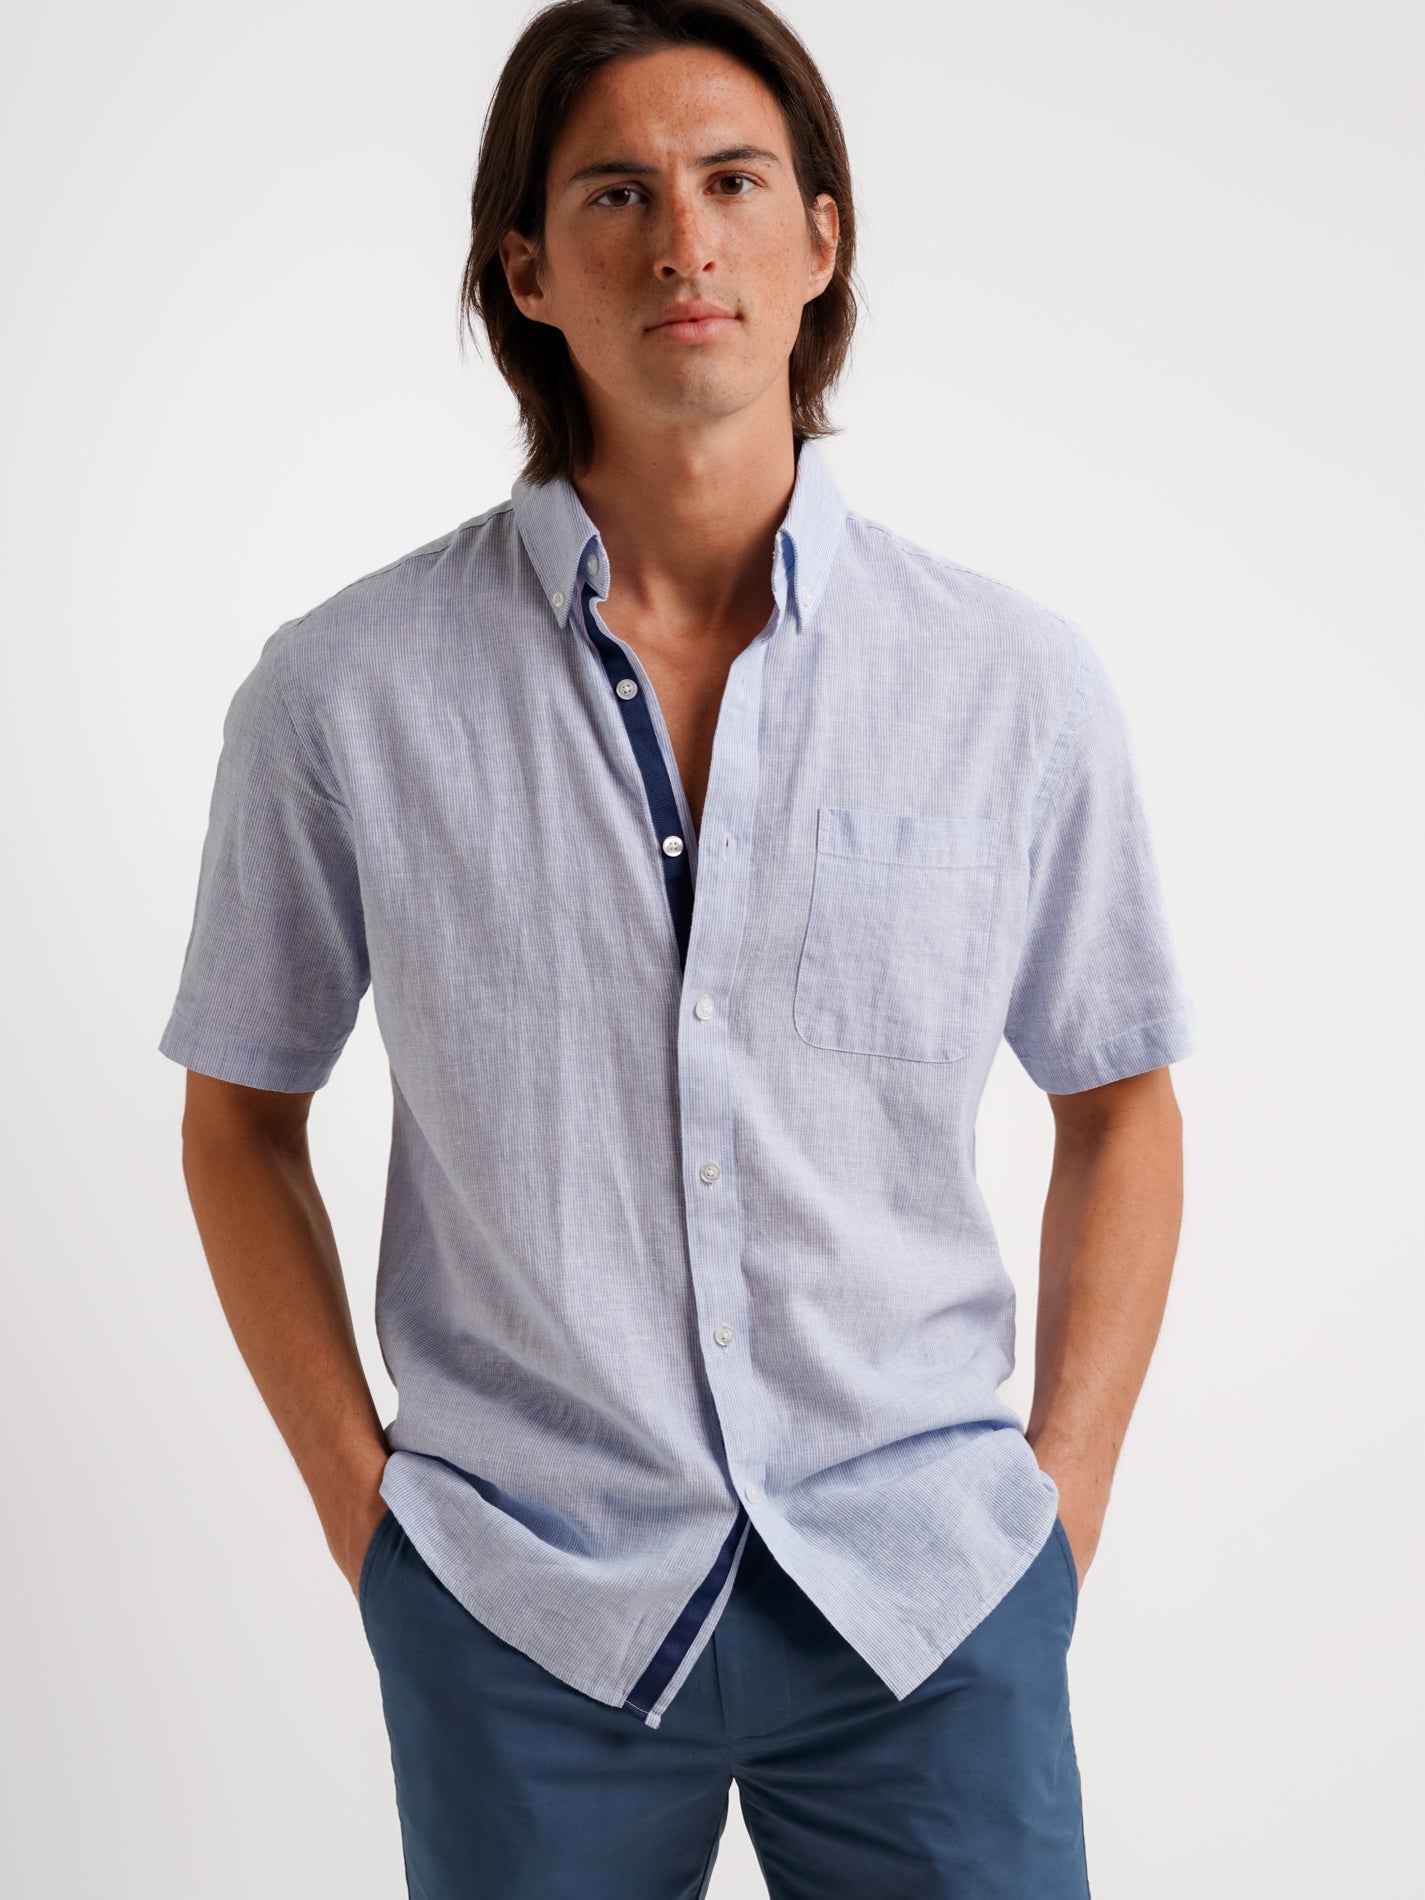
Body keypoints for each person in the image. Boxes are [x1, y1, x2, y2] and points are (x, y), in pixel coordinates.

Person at [158, 2, 1197, 1894]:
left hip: (928, 1595)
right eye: (616, 194)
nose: (682, 242)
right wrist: (368, 1522)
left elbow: (1119, 1099)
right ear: (526, 271)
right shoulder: (343, 694)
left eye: (731, 182)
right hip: (522, 1604)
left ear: (820, 237)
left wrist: (1061, 1506)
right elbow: (239, 1115)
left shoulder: (1007, 682)